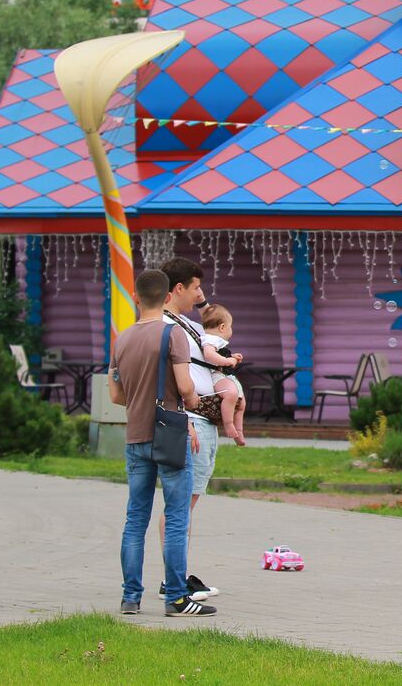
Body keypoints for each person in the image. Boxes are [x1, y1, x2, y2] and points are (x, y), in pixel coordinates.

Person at [107, 269, 217, 617]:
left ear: (137, 298)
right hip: (169, 434)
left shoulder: (121, 339)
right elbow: (186, 388)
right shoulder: (173, 335)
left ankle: (130, 597)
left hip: (135, 436)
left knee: (135, 519)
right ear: (167, 296)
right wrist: (197, 405)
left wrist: (140, 401)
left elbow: (114, 394)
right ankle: (176, 598)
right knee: (176, 516)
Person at [158, 257, 221, 603]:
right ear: (178, 289)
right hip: (190, 421)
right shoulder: (170, 327)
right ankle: (174, 580)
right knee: (180, 506)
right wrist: (182, 418)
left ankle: (177, 574)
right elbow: (171, 378)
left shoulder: (182, 322)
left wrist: (202, 303)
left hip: (201, 420)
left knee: (187, 503)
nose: (201, 293)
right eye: (195, 287)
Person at [199, 303, 247, 447]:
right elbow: (209, 355)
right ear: (222, 327)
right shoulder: (209, 339)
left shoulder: (216, 341)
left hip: (225, 375)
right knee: (231, 394)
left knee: (242, 402)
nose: (231, 330)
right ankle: (228, 424)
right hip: (217, 375)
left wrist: (232, 357)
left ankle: (239, 430)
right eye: (230, 326)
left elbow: (218, 354)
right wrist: (227, 361)